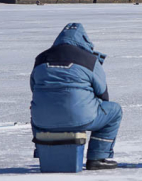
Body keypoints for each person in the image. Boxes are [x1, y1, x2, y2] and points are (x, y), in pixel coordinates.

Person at [30, 23, 123, 170]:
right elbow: (103, 93)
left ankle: (43, 152)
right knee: (114, 111)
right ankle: (97, 157)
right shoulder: (90, 60)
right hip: (79, 117)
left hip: (43, 119)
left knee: (37, 107)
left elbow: (33, 88)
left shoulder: (41, 58)